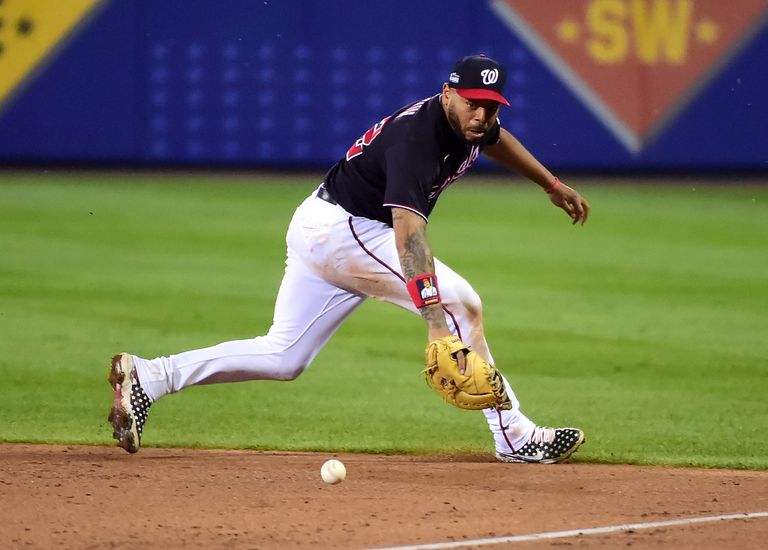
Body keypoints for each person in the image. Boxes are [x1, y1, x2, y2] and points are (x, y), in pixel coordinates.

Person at [108, 54, 590, 463]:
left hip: (323, 224)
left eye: (490, 106)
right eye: (472, 103)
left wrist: (549, 183)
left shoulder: (470, 123)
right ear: (447, 93)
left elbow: (495, 139)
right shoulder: (417, 140)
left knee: (284, 357)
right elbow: (408, 234)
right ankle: (515, 437)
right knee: (461, 305)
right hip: (346, 231)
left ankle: (151, 375)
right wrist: (434, 322)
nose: (481, 116)